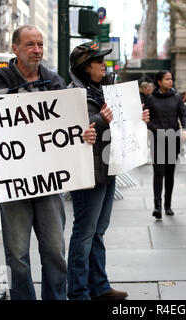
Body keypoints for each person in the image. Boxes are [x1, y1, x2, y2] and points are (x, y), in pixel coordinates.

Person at [0, 25, 96, 300]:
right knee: (17, 254)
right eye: (31, 45)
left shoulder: (55, 82)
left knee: (55, 251)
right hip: (14, 186)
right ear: (16, 48)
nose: (37, 50)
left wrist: (85, 134)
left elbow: (69, 126)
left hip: (49, 184)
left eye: (40, 44)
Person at [66, 42, 150, 300]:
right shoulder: (72, 93)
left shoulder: (103, 90)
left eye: (103, 59)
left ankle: (99, 287)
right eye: (97, 60)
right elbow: (72, 130)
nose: (103, 63)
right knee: (84, 233)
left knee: (98, 230)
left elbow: (117, 123)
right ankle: (78, 292)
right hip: (88, 172)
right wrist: (104, 119)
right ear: (84, 67)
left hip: (109, 165)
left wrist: (138, 119)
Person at [145, 70, 186, 219]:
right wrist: (154, 129)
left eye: (171, 79)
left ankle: (167, 205)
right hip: (158, 139)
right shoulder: (150, 98)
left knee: (169, 173)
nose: (171, 81)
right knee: (158, 172)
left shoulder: (177, 97)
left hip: (173, 139)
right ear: (159, 82)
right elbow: (145, 119)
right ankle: (157, 206)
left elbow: (184, 115)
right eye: (167, 79)